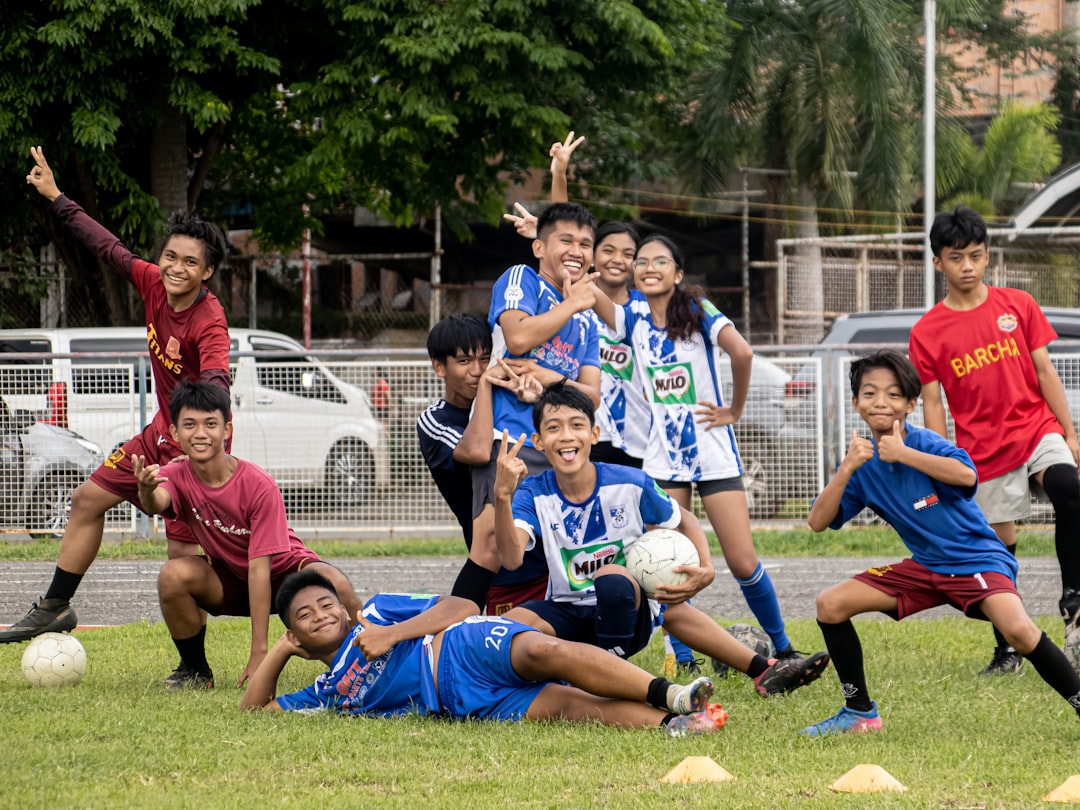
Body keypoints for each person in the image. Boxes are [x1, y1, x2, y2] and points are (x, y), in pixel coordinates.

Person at [1, 147, 232, 644]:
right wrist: (57, 198)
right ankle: (55, 606)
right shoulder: (152, 281)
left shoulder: (209, 322)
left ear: (206, 272)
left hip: (196, 451)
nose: (175, 267)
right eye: (171, 256)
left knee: (181, 568)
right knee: (86, 499)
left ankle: (195, 665)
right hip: (156, 437)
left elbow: (217, 384)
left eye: (190, 262)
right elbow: (107, 247)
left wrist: (203, 428)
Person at [802, 349, 1080, 736]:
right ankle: (859, 713)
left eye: (894, 394)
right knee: (830, 605)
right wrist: (847, 468)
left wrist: (905, 454)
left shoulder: (925, 442)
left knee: (1018, 631)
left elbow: (966, 476)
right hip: (926, 567)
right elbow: (817, 522)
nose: (881, 402)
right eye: (870, 393)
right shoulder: (861, 463)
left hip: (977, 560)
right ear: (856, 402)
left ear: (911, 404)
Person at [494, 382, 830, 697]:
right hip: (568, 610)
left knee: (626, 583)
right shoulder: (533, 493)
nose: (566, 436)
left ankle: (763, 669)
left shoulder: (630, 483)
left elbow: (684, 518)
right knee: (506, 628)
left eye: (576, 425)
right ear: (538, 441)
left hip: (627, 610)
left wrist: (707, 566)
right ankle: (763, 672)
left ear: (594, 434)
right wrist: (503, 498)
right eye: (553, 428)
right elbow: (510, 559)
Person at [591, 233, 802, 658]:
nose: (649, 267)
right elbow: (578, 278)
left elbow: (742, 353)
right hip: (663, 458)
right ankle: (683, 656)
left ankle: (783, 647)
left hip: (712, 452)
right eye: (642, 261)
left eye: (661, 261)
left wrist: (734, 410)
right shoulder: (630, 321)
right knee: (667, 558)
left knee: (742, 561)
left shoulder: (698, 310)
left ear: (678, 273)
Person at [239, 568, 728, 737]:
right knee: (568, 707)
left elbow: (462, 604)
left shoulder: (377, 612)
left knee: (547, 651)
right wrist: (281, 650)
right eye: (305, 617)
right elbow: (253, 710)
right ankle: (676, 725)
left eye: (326, 604)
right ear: (300, 638)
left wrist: (392, 634)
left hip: (461, 648)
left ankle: (671, 694)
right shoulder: (326, 691)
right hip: (461, 703)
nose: (322, 615)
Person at [909, 205, 1080, 676]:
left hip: (1036, 428)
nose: (968, 266)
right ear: (938, 262)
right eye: (957, 257)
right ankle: (1009, 646)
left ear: (988, 259)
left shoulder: (1018, 305)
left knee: (1068, 486)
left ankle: (1075, 601)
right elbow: (933, 404)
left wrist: (1069, 432)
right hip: (981, 451)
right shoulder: (926, 332)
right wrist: (942, 464)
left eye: (977, 256)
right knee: (996, 549)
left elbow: (1046, 371)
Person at [132, 381, 362, 689]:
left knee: (333, 580)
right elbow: (157, 502)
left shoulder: (258, 484)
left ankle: (367, 655)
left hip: (283, 576)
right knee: (174, 574)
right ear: (175, 433)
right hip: (230, 579)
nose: (200, 433)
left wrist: (259, 651)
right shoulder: (174, 474)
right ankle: (195, 672)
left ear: (226, 431)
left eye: (210, 424)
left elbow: (260, 569)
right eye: (189, 425)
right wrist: (146, 491)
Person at [452, 200, 602, 615]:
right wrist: (571, 304)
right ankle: (445, 638)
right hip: (511, 440)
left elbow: (592, 396)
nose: (577, 250)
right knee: (490, 548)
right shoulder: (522, 279)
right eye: (565, 240)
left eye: (585, 244)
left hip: (562, 446)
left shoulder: (589, 322)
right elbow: (516, 338)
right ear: (539, 247)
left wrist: (551, 377)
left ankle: (556, 638)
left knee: (556, 549)